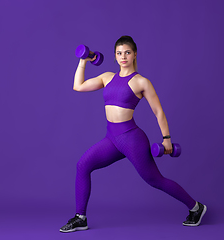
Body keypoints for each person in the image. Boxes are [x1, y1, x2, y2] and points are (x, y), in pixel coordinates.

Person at [60, 36, 207, 233]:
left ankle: (196, 208)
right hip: (111, 139)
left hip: (131, 138)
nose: (123, 57)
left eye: (127, 53)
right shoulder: (107, 77)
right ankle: (80, 218)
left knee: (154, 180)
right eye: (119, 53)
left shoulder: (141, 82)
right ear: (114, 55)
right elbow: (78, 86)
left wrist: (166, 139)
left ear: (134, 54)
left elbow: (158, 112)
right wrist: (83, 60)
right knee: (83, 165)